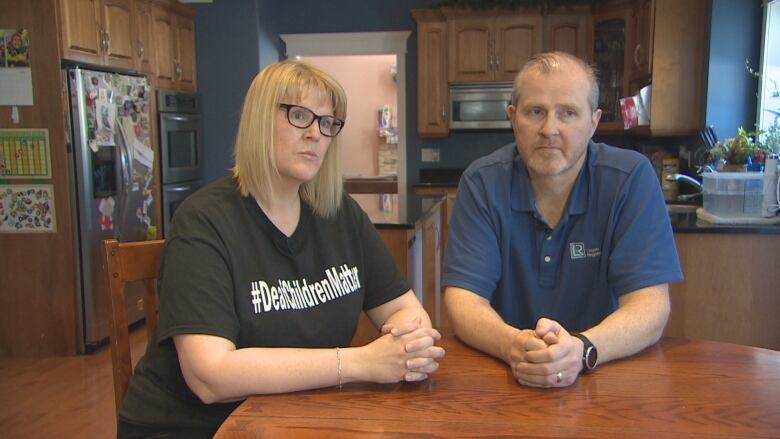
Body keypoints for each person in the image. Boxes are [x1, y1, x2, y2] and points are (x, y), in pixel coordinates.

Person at [118, 60, 445, 437]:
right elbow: (210, 376)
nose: (316, 134)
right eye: (299, 115)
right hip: (196, 427)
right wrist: (360, 362)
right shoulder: (205, 221)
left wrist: (409, 341)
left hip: (297, 417)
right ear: (259, 118)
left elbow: (404, 306)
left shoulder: (340, 214)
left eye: (327, 123)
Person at [443, 51, 683, 389]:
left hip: (605, 373)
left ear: (594, 122)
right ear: (514, 118)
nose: (549, 129)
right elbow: (463, 300)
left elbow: (651, 307)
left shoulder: (630, 179)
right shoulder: (482, 183)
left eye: (568, 113)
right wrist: (515, 346)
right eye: (535, 112)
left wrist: (582, 348)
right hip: (504, 375)